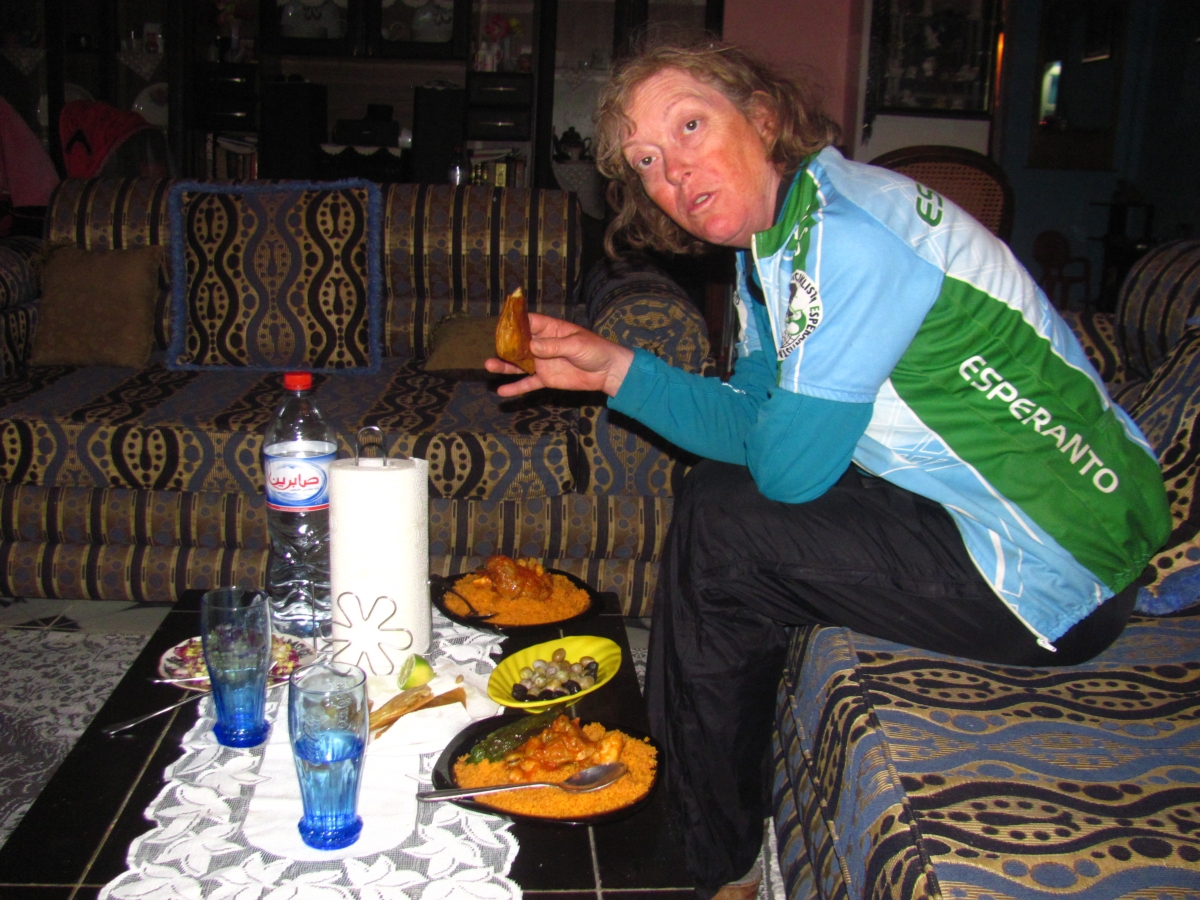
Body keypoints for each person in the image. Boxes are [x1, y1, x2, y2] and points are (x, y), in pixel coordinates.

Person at [487, 39, 1171, 900]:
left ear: (764, 118)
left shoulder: (847, 239)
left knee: (725, 530)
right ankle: (716, 819)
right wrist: (615, 370)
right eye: (647, 162)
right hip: (1000, 522)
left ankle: (705, 860)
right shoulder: (776, 246)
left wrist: (759, 429)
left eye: (690, 126)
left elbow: (787, 473)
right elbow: (752, 426)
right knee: (722, 503)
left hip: (1055, 572)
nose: (673, 172)